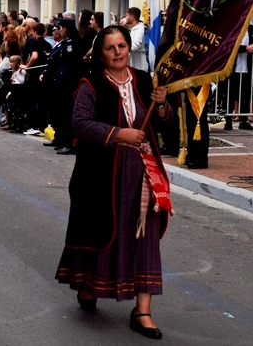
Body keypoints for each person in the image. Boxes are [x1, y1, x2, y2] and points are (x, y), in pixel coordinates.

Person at [55, 25, 170, 339]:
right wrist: (120, 134)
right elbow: (79, 124)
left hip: (145, 170)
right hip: (102, 174)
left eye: (122, 46)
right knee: (104, 230)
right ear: (100, 53)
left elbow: (164, 122)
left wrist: (160, 103)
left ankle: (142, 311)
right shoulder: (90, 83)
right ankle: (90, 285)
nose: (118, 52)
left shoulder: (145, 81)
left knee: (144, 233)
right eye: (110, 47)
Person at [42, 19, 81, 154]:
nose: (60, 30)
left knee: (66, 114)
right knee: (60, 113)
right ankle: (61, 139)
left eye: (62, 28)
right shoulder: (64, 43)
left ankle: (68, 142)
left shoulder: (71, 44)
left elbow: (68, 63)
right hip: (60, 81)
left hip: (68, 83)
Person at [226, 21, 253, 130]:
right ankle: (228, 121)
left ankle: (243, 120)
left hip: (247, 68)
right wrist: (245, 48)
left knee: (245, 95)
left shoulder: (252, 29)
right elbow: (229, 45)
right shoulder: (232, 27)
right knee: (230, 95)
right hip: (232, 69)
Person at [126, 7, 147, 72]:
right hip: (134, 64)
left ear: (131, 17)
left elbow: (135, 46)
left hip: (139, 65)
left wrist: (123, 46)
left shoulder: (140, 29)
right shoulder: (134, 29)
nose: (126, 17)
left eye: (127, 15)